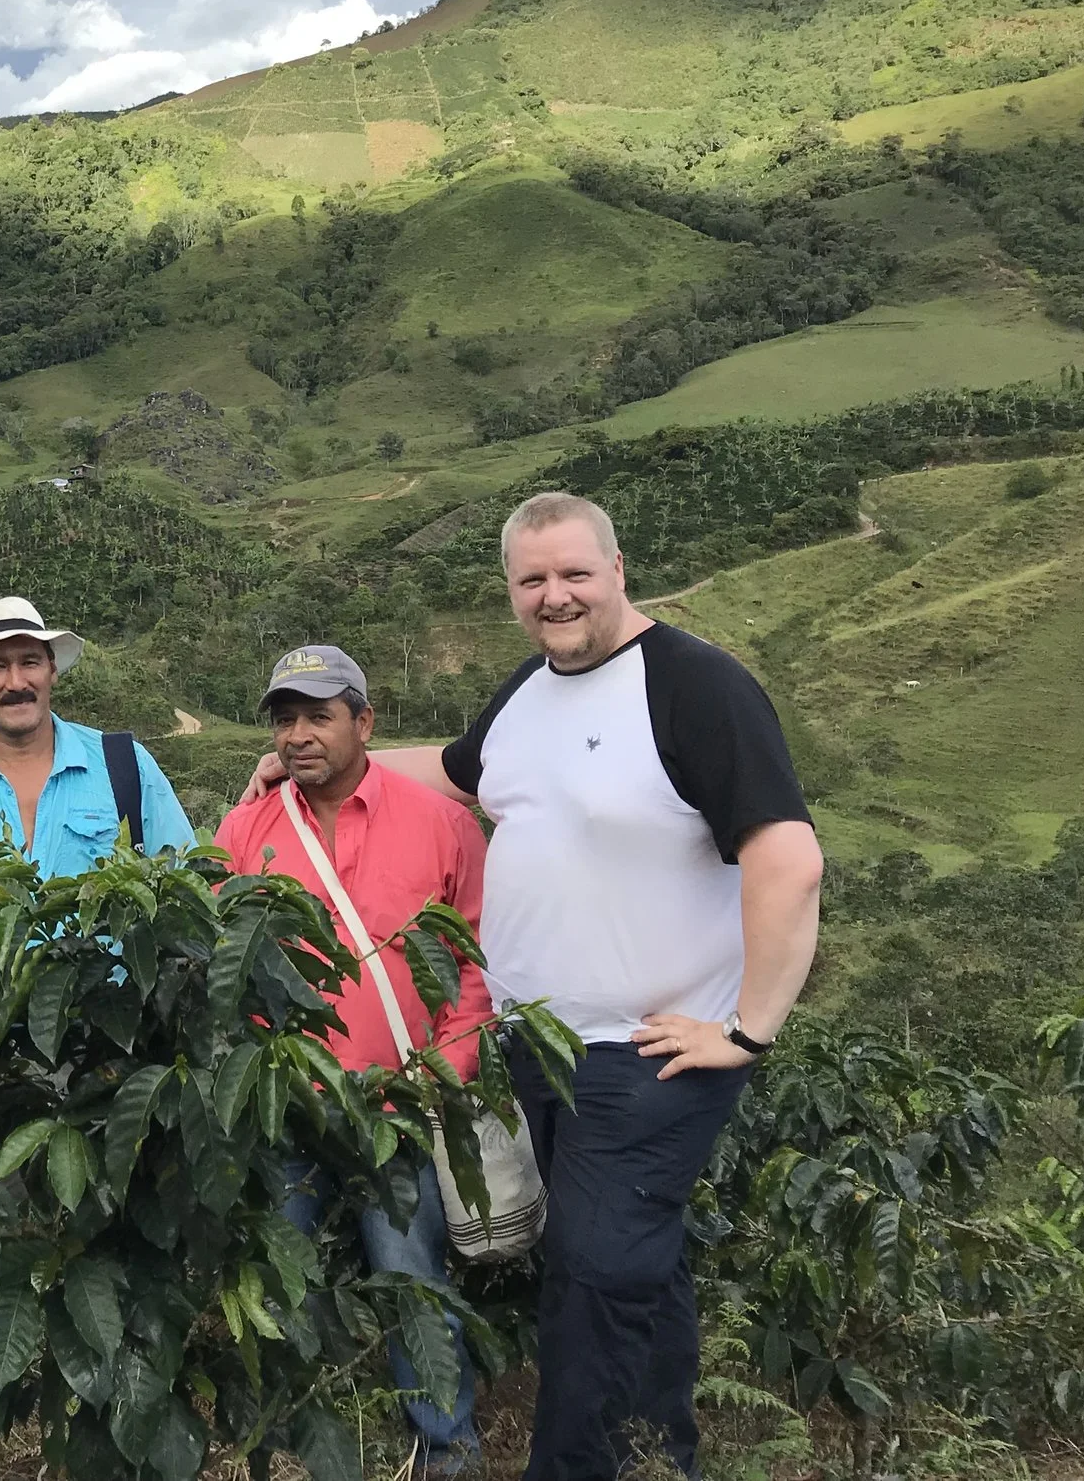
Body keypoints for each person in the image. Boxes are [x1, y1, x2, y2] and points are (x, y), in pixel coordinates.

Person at [345, 492, 824, 1481]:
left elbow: (788, 859)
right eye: (532, 580)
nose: (554, 597)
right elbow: (454, 771)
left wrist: (747, 1030)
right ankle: (657, 1455)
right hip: (540, 1050)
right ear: (510, 592)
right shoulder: (531, 689)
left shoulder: (693, 687)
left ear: (616, 569)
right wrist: (314, 766)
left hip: (648, 1049)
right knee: (629, 1258)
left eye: (572, 574)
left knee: (592, 1272)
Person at [212, 645, 489, 1476]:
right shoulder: (245, 827)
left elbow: (474, 961)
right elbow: (221, 960)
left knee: (410, 1273)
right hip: (286, 1100)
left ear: (365, 722)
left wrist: (447, 1066)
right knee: (282, 1272)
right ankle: (289, 1435)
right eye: (285, 718)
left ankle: (446, 1443)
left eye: (318, 715)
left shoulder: (439, 821)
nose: (298, 735)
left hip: (399, 1101)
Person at [0, 595, 195, 914]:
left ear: (52, 669)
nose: (17, 682)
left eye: (30, 662)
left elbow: (185, 888)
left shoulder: (125, 766)